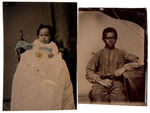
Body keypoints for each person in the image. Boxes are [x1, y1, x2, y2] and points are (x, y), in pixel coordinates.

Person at [11, 24, 75, 110]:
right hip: (38, 62)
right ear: (38, 36)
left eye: (46, 35)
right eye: (41, 35)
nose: (44, 37)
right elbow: (32, 51)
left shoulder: (52, 45)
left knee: (58, 66)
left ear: (50, 36)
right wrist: (35, 53)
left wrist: (51, 55)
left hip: (49, 63)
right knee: (27, 62)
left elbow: (55, 53)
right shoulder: (36, 43)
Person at [86, 27, 142, 103]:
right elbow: (89, 71)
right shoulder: (98, 54)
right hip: (100, 82)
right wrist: (99, 80)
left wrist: (124, 68)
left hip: (117, 83)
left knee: (120, 99)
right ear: (103, 39)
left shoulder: (121, 53)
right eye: (108, 38)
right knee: (98, 97)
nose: (110, 40)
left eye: (113, 38)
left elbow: (139, 61)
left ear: (116, 39)